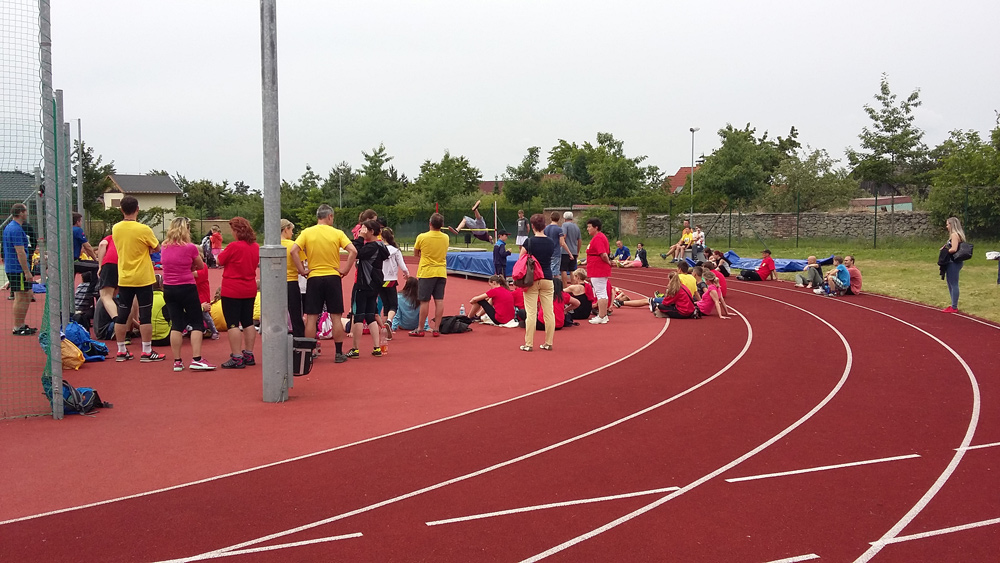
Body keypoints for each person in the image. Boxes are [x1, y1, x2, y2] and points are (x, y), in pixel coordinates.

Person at [292, 204, 357, 362]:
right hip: (332, 277)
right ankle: (338, 353)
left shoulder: (307, 232)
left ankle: (309, 353)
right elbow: (353, 251)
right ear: (329, 216)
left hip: (314, 276)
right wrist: (345, 270)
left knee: (311, 317)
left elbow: (294, 250)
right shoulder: (337, 233)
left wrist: (302, 270)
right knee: (336, 316)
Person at [111, 196, 164, 362]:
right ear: (137, 209)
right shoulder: (144, 229)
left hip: (125, 277)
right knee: (145, 314)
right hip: (143, 277)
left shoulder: (116, 228)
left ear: (121, 210)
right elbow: (157, 247)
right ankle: (146, 350)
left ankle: (121, 350)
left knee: (122, 314)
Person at [160, 216, 214, 371]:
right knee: (196, 322)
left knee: (176, 324)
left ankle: (177, 361)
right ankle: (196, 358)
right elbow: (200, 265)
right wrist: (190, 267)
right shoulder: (190, 247)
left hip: (169, 287)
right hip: (186, 286)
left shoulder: (164, 246)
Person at [218, 217, 260, 369]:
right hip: (249, 287)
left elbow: (219, 261)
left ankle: (237, 356)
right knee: (248, 321)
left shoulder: (233, 246)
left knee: (233, 323)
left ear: (237, 231)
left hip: (232, 289)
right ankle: (249, 353)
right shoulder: (255, 246)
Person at [347, 220, 389, 358]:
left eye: (365, 229)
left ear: (371, 231)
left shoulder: (371, 247)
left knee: (358, 315)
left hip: (364, 284)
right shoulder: (381, 245)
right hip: (374, 285)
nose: (362, 231)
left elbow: (355, 252)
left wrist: (360, 238)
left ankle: (355, 349)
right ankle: (377, 347)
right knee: (371, 315)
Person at [520, 213, 556, 351]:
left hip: (532, 279)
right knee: (549, 312)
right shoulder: (551, 242)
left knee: (531, 312)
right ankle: (548, 342)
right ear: (544, 226)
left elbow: (521, 259)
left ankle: (529, 344)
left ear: (532, 226)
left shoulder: (529, 242)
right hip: (547, 278)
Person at [411, 212, 449, 337]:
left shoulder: (422, 237)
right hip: (441, 271)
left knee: (424, 301)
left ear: (430, 223)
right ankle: (436, 328)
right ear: (441, 225)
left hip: (427, 272)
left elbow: (415, 253)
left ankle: (420, 328)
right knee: (439, 300)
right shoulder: (445, 237)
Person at [4, 204, 37, 335]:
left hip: (14, 267)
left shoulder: (11, 227)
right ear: (21, 213)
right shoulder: (16, 229)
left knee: (27, 294)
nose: (27, 213)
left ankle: (21, 324)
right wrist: (27, 271)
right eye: (25, 211)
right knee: (21, 296)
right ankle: (18, 326)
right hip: (17, 269)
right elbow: (20, 252)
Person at [379, 227, 409, 336]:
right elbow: (402, 265)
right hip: (391, 280)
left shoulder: (378, 249)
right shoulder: (395, 251)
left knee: (385, 304)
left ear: (382, 237)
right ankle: (389, 321)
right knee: (393, 305)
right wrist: (406, 273)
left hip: (380, 280)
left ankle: (386, 329)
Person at [279, 219, 306, 337]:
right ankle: (299, 339)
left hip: (276, 283)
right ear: (286, 229)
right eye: (291, 230)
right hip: (291, 281)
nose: (292, 233)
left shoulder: (272, 246)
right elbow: (302, 265)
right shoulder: (293, 245)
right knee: (295, 313)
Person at [585, 217, 612, 324]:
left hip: (598, 269)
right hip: (598, 268)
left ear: (596, 227)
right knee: (602, 292)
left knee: (600, 292)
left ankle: (601, 316)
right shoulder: (599, 237)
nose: (588, 229)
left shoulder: (598, 238)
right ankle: (603, 315)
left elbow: (603, 254)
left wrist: (608, 262)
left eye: (589, 227)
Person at [941, 216, 966, 313]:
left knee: (953, 283)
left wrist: (945, 251)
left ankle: (954, 306)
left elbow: (954, 249)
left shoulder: (954, 235)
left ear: (952, 225)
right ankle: (953, 304)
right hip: (954, 262)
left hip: (953, 262)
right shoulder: (957, 235)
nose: (946, 226)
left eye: (947, 224)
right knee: (950, 282)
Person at [545, 212, 572, 284]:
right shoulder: (559, 229)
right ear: (559, 219)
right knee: (555, 272)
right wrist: (569, 253)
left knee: (548, 269)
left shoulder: (546, 229)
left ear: (550, 218)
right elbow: (562, 243)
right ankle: (555, 286)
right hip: (556, 252)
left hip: (547, 252)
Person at [560, 211, 582, 286]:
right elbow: (579, 240)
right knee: (572, 270)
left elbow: (564, 236)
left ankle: (565, 286)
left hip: (565, 251)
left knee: (563, 269)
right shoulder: (576, 227)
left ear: (564, 218)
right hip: (574, 250)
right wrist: (577, 251)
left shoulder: (564, 225)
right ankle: (573, 285)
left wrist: (561, 243)